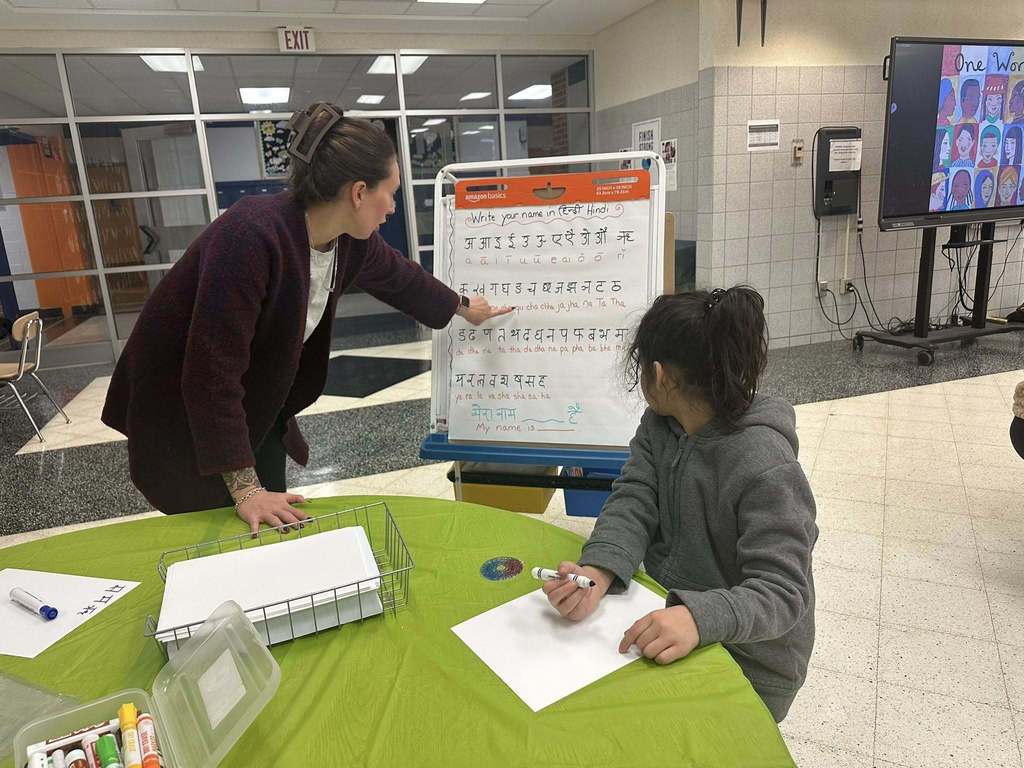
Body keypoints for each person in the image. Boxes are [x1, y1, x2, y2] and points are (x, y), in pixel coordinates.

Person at [102, 102, 511, 530]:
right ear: (358, 192)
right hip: (182, 410)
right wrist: (245, 489)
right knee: (212, 523)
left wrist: (466, 307)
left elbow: (401, 278)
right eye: (388, 191)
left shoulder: (349, 240)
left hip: (253, 403)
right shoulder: (251, 236)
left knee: (270, 509)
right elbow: (210, 373)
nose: (392, 206)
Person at [541, 287, 817, 722]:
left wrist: (697, 618)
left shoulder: (766, 465)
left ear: (660, 374)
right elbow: (635, 497)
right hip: (667, 617)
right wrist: (602, 567)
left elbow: (783, 594)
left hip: (753, 661)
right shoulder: (661, 424)